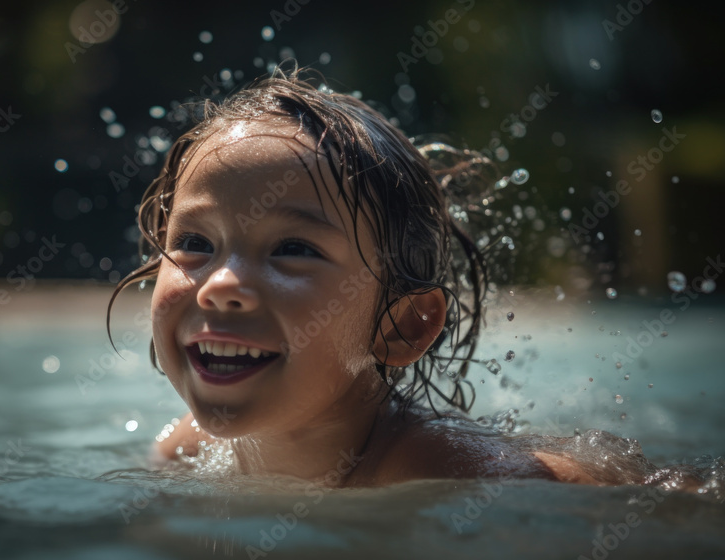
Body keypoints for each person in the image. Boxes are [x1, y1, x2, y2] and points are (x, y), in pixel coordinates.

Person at [105, 67, 699, 489]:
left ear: (403, 325)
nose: (220, 284)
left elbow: (678, 505)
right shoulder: (186, 448)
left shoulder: (453, 473)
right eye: (193, 243)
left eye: (291, 248)